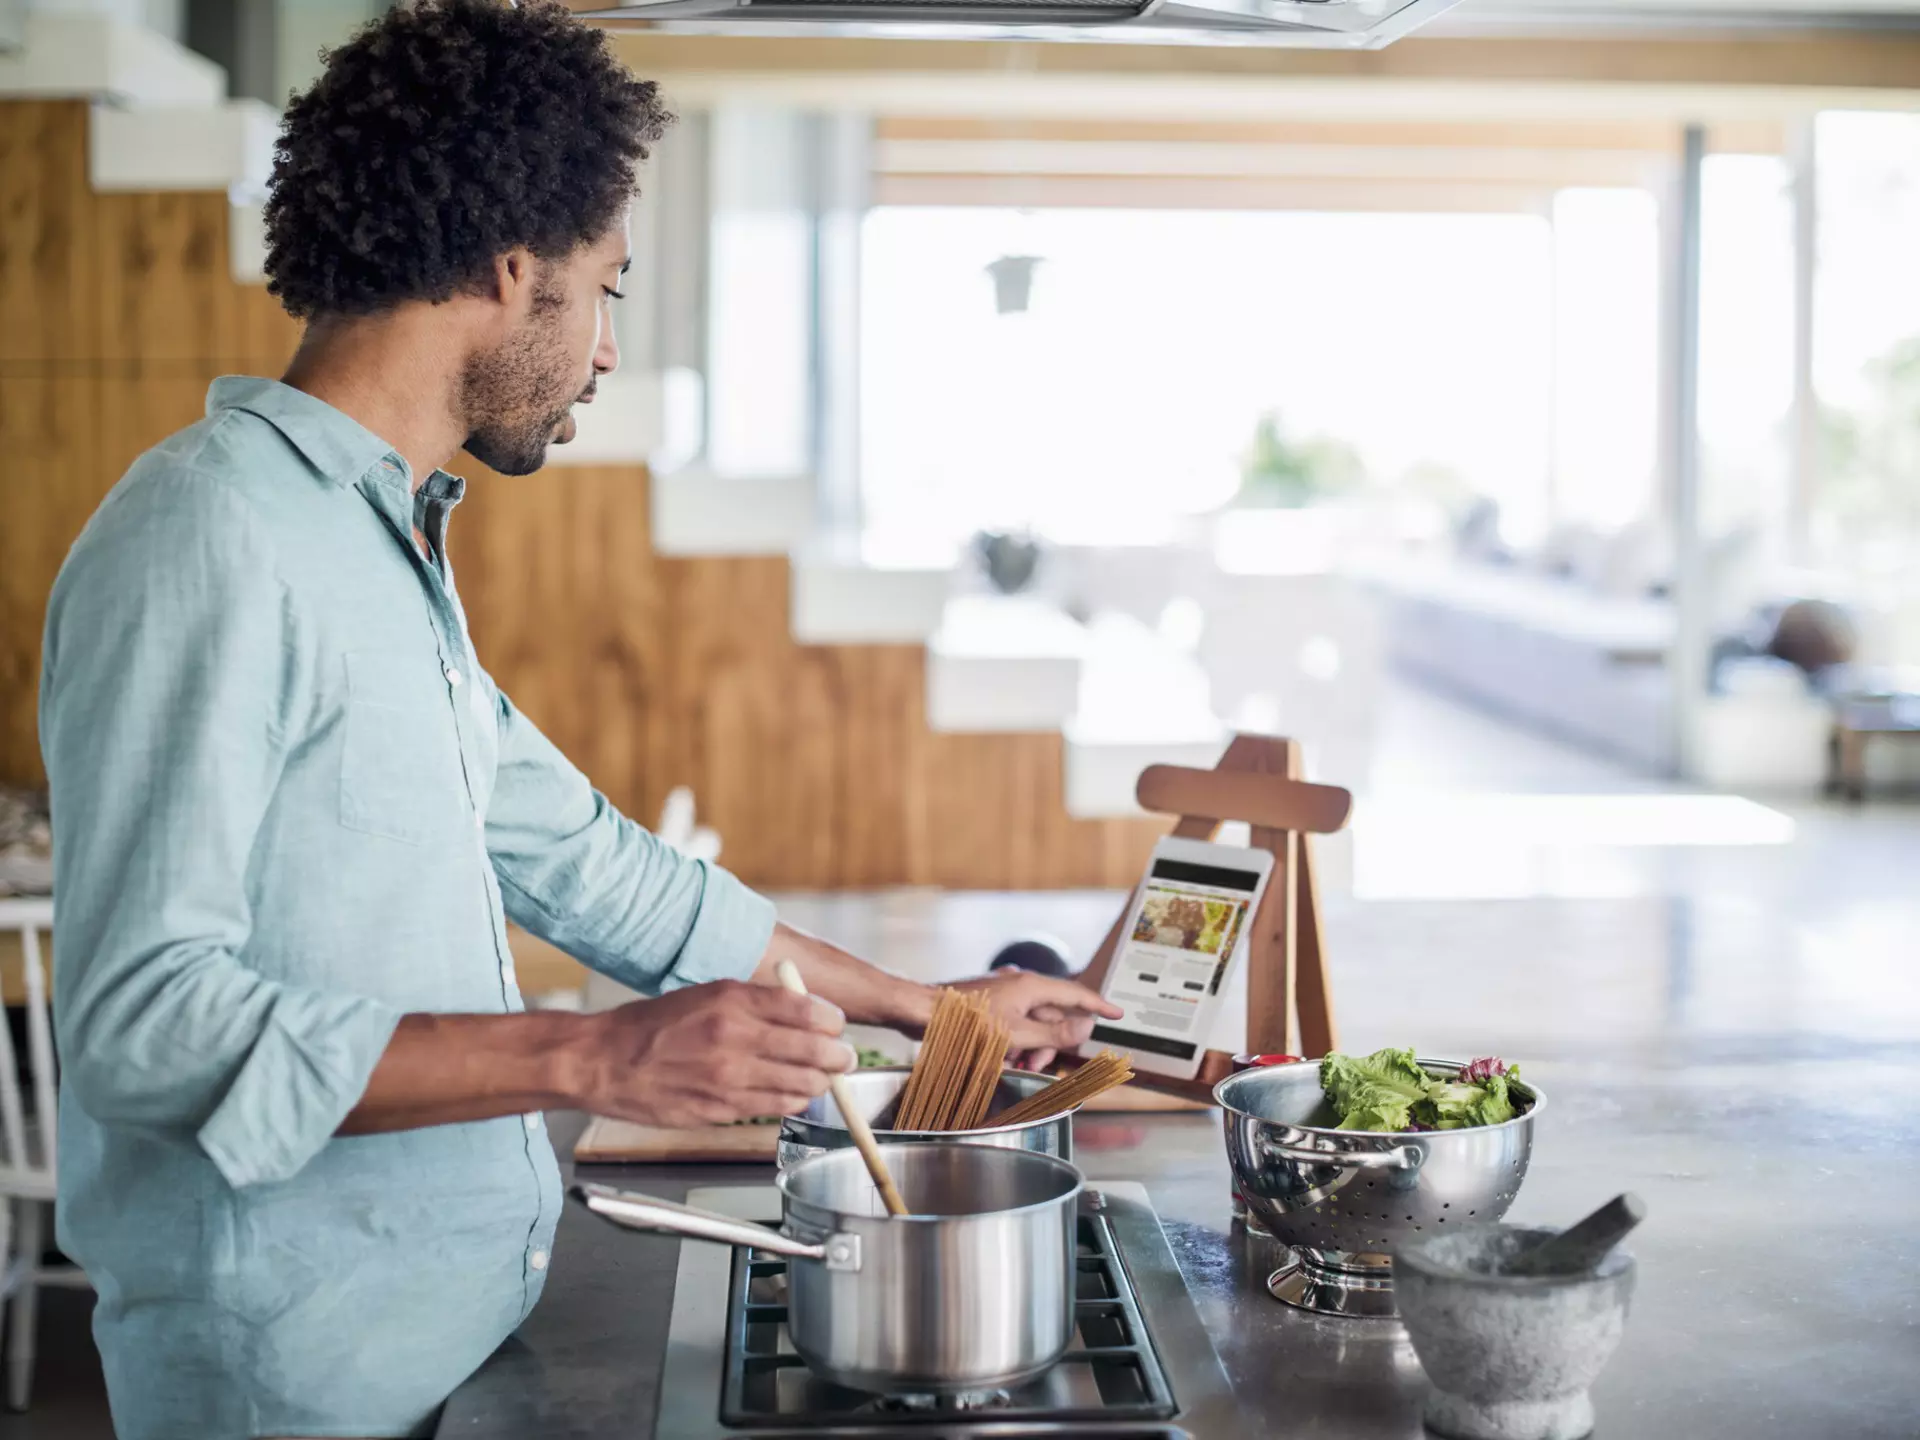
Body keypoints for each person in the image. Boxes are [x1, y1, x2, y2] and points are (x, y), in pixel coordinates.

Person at [36, 3, 1120, 1436]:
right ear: (511, 270)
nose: (607, 352)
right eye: (605, 289)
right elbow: (144, 1026)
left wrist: (931, 1015)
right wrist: (595, 1056)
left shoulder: (376, 545)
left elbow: (599, 866)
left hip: (455, 1340)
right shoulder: (210, 535)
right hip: (298, 1388)